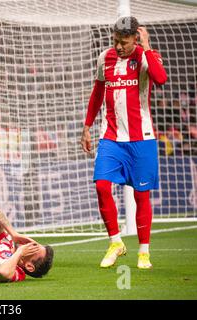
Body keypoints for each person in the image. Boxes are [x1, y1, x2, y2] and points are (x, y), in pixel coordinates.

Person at [80, 17, 167, 269]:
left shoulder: (145, 56)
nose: (118, 47)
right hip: (111, 138)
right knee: (102, 186)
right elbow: (97, 93)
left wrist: (147, 46)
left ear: (135, 38)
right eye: (115, 41)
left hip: (142, 139)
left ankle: (143, 251)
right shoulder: (104, 58)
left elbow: (160, 79)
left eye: (124, 42)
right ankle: (116, 241)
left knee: (141, 195)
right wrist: (87, 127)